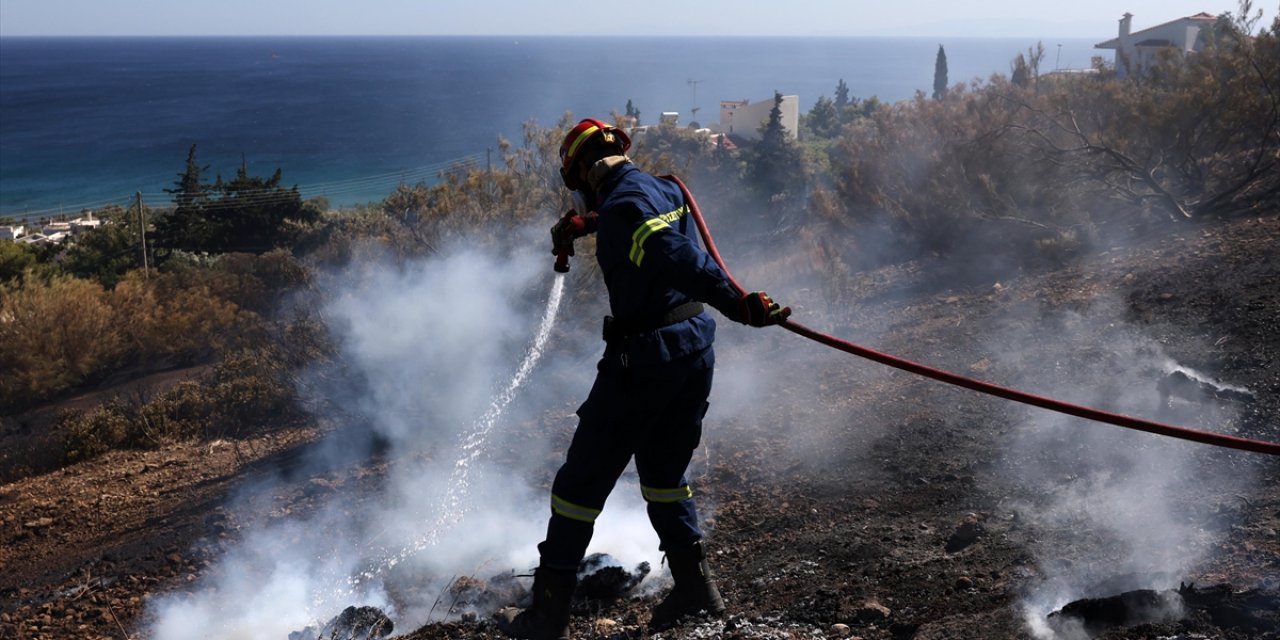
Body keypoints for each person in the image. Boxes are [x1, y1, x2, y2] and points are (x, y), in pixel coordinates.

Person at [495, 118, 790, 640]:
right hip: (693, 348)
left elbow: (671, 253)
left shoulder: (626, 208)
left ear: (583, 171)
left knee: (577, 486)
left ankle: (547, 616)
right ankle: (698, 591)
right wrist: (586, 227)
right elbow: (643, 224)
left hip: (644, 359)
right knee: (663, 476)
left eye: (580, 187)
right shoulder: (662, 187)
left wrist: (739, 304)